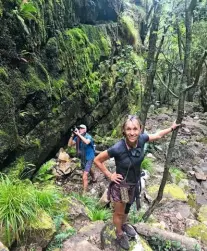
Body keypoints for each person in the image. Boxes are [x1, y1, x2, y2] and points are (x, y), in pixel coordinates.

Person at [94, 115, 180, 250]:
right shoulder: (118, 148)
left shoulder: (142, 139)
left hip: (134, 183)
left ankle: (124, 225)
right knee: (119, 212)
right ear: (123, 130)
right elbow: (97, 160)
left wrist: (171, 128)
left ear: (140, 129)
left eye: (135, 129)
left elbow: (157, 135)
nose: (132, 133)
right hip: (122, 186)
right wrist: (110, 175)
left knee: (128, 207)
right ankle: (119, 232)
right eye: (128, 129)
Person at [68, 124, 96, 193]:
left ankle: (84, 193)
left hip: (90, 156)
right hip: (83, 157)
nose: (79, 129)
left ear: (85, 130)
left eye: (81, 128)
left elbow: (86, 142)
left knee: (85, 175)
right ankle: (94, 178)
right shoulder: (77, 138)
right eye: (79, 128)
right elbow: (69, 145)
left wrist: (78, 134)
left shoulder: (88, 136)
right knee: (88, 169)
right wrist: (72, 135)